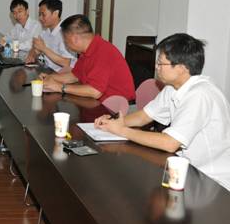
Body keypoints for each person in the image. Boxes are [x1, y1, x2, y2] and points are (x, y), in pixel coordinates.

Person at [95, 33, 230, 190]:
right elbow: (144, 116)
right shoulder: (173, 87)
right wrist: (114, 122)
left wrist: (122, 130)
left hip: (213, 180)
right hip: (188, 169)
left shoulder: (200, 95)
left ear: (182, 68)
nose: (156, 68)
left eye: (161, 64)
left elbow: (169, 143)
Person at [40, 14, 135, 101]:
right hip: (98, 101)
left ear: (74, 39)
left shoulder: (103, 52)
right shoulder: (87, 50)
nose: (66, 44)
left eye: (66, 41)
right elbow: (75, 76)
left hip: (117, 107)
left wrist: (60, 87)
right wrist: (51, 78)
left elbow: (95, 91)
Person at [25, 0, 76, 71]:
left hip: (60, 74)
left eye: (43, 14)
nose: (40, 18)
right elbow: (35, 48)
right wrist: (32, 55)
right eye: (39, 14)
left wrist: (44, 48)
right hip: (47, 71)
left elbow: (67, 63)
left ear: (55, 13)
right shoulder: (46, 32)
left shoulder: (66, 33)